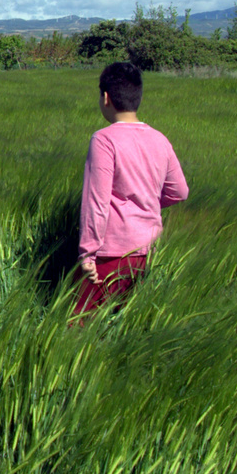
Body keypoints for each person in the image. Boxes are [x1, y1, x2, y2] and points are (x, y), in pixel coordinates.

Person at [71, 61, 189, 323]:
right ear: (138, 97)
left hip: (110, 254)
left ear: (105, 97)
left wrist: (88, 253)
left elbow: (96, 202)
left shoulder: (104, 139)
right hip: (151, 252)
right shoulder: (160, 138)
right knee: (131, 324)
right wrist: (147, 203)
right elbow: (180, 192)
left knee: (81, 327)